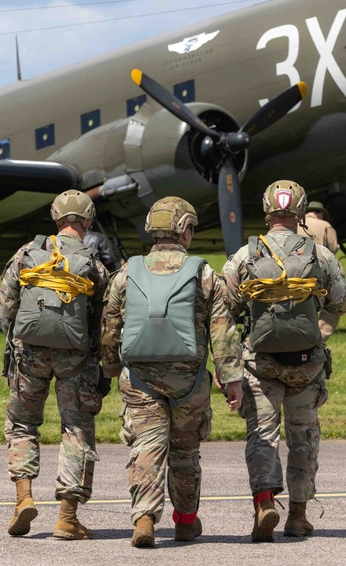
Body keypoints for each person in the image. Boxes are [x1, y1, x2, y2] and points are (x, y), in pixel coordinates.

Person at [100, 196, 243, 548]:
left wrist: (109, 367)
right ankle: (185, 522)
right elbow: (222, 330)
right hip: (189, 381)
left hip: (139, 379)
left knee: (146, 446)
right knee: (185, 452)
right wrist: (230, 378)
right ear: (183, 231)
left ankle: (145, 519)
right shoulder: (204, 273)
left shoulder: (128, 272)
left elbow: (109, 327)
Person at [223, 181, 346, 542]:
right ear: (300, 212)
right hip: (306, 365)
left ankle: (264, 501)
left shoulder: (244, 256)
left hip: (260, 364)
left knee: (263, 435)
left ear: (267, 212)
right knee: (304, 438)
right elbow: (342, 302)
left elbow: (225, 306)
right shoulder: (320, 255)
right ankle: (298, 516)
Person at [0, 189, 110, 539]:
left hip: (29, 353)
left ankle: (24, 498)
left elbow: (6, 306)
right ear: (88, 220)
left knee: (22, 424)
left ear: (55, 218)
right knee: (76, 429)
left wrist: (18, 341)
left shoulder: (27, 254)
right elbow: (104, 317)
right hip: (76, 358)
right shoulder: (93, 263)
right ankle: (67, 517)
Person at [300, 200, 342, 341]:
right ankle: (319, 337)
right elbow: (333, 250)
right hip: (316, 274)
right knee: (337, 300)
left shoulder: (294, 223)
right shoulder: (325, 225)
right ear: (321, 214)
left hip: (290, 275)